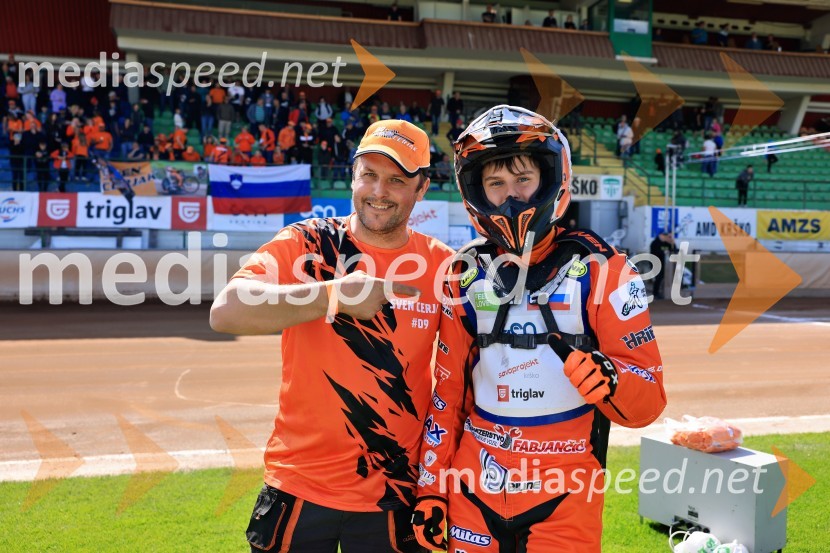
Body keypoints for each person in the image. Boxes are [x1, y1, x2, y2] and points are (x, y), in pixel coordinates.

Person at [411, 105, 666, 552]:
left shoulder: (604, 268)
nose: (512, 197)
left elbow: (648, 399)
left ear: (551, 178)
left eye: (523, 179)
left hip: (566, 495)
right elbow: (446, 395)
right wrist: (431, 487)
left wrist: (611, 379)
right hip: (473, 489)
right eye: (496, 183)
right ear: (476, 191)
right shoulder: (461, 274)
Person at [210, 119, 454, 553]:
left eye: (397, 180)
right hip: (298, 485)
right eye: (370, 175)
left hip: (395, 493)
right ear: (353, 176)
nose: (379, 191)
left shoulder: (444, 266)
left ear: (422, 189)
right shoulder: (309, 243)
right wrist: (332, 295)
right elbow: (226, 311)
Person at [650, 232, 675, 300]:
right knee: (658, 278)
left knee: (663, 278)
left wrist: (672, 242)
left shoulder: (667, 243)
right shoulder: (655, 243)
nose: (667, 237)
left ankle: (662, 292)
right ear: (661, 235)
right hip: (656, 263)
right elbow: (656, 253)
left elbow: (674, 250)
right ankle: (655, 293)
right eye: (665, 236)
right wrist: (664, 252)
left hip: (665, 264)